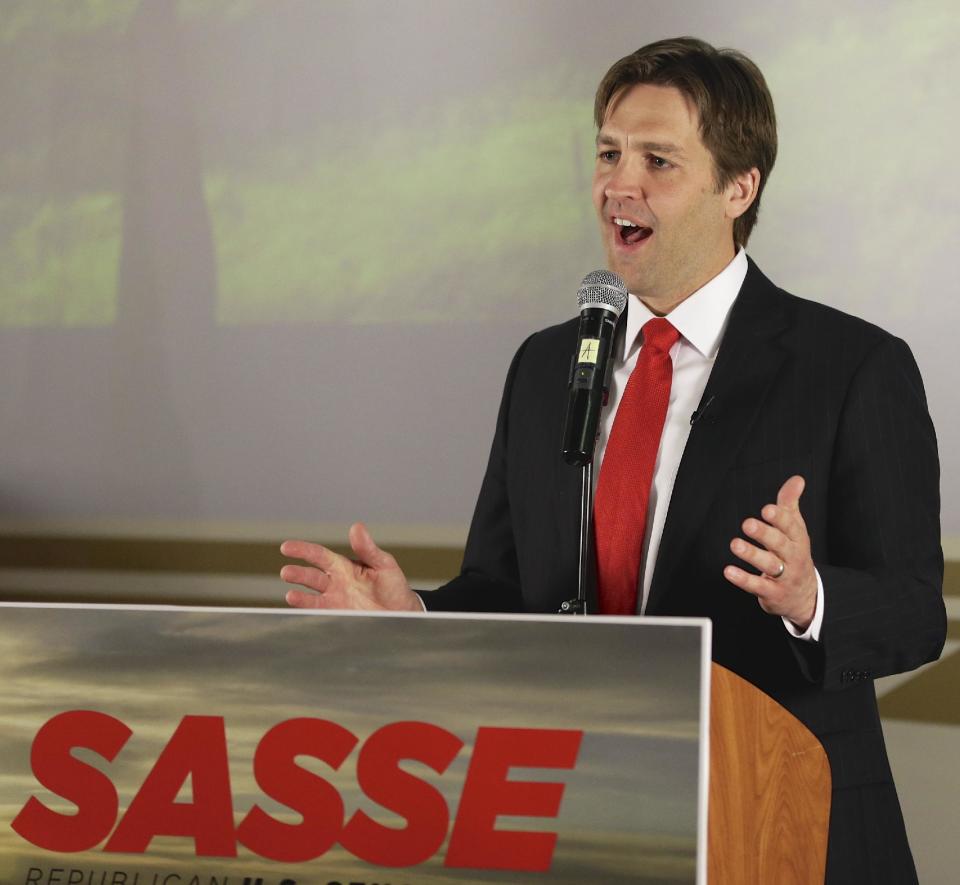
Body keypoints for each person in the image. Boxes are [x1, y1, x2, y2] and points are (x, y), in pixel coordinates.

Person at [280, 37, 945, 884]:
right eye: (607, 153)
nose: (616, 184)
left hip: (784, 824)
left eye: (657, 160)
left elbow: (917, 612)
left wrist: (810, 596)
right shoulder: (548, 365)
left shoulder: (850, 366)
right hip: (589, 822)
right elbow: (508, 587)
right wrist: (412, 614)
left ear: (739, 188)